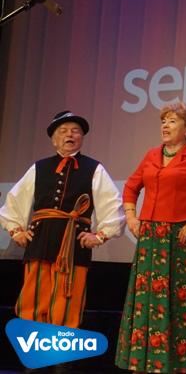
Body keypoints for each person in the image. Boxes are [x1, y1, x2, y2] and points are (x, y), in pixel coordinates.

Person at [114, 102, 186, 373]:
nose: (165, 126)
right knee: (144, 301)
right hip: (149, 240)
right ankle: (140, 363)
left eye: (172, 121)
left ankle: (173, 366)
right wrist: (131, 217)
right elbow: (131, 187)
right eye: (163, 121)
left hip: (180, 240)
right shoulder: (151, 155)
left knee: (177, 303)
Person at [0, 111, 124, 329]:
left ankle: (61, 348)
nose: (70, 135)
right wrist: (16, 230)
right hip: (40, 239)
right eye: (63, 131)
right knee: (34, 296)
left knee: (68, 300)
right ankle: (33, 347)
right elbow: (15, 201)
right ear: (54, 139)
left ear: (82, 138)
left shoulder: (94, 169)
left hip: (74, 243)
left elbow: (111, 203)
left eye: (75, 131)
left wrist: (100, 235)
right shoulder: (39, 167)